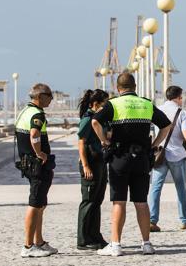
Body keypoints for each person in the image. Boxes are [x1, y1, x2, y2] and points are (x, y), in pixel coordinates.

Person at [92, 73, 171, 256]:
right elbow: (166, 126)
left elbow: (95, 121)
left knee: (119, 202)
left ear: (118, 88)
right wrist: (154, 144)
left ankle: (116, 245)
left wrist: (104, 141)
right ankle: (146, 244)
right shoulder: (146, 103)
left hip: (119, 158)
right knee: (141, 202)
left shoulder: (114, 104)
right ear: (135, 86)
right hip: (142, 158)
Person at [16, 83, 58, 257]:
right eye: (50, 95)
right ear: (40, 96)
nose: (51, 99)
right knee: (35, 204)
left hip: (27, 163)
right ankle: (28, 247)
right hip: (37, 165)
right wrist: (40, 153)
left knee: (40, 204)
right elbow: (34, 135)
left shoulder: (24, 111)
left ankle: (39, 242)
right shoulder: (37, 114)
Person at [148, 86, 186, 231]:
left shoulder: (157, 110)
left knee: (155, 188)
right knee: (181, 189)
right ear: (178, 97)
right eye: (181, 97)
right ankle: (185, 220)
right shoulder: (182, 113)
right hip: (176, 155)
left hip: (160, 154)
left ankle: (152, 220)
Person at [76, 89, 109, 250]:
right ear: (96, 104)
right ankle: (83, 239)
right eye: (104, 104)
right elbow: (81, 143)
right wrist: (85, 166)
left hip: (100, 162)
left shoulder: (98, 119)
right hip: (91, 163)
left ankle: (95, 235)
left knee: (97, 200)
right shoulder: (88, 120)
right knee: (88, 201)